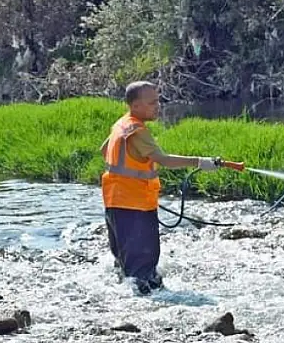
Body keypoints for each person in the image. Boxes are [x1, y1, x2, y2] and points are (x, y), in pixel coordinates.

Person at [100, 81, 238, 294]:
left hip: (115, 203)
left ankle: (135, 299)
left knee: (125, 263)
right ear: (135, 106)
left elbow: (104, 150)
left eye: (158, 100)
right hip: (134, 206)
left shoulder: (121, 125)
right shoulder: (137, 131)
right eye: (152, 102)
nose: (158, 106)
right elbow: (163, 160)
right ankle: (147, 307)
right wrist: (201, 162)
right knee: (143, 265)